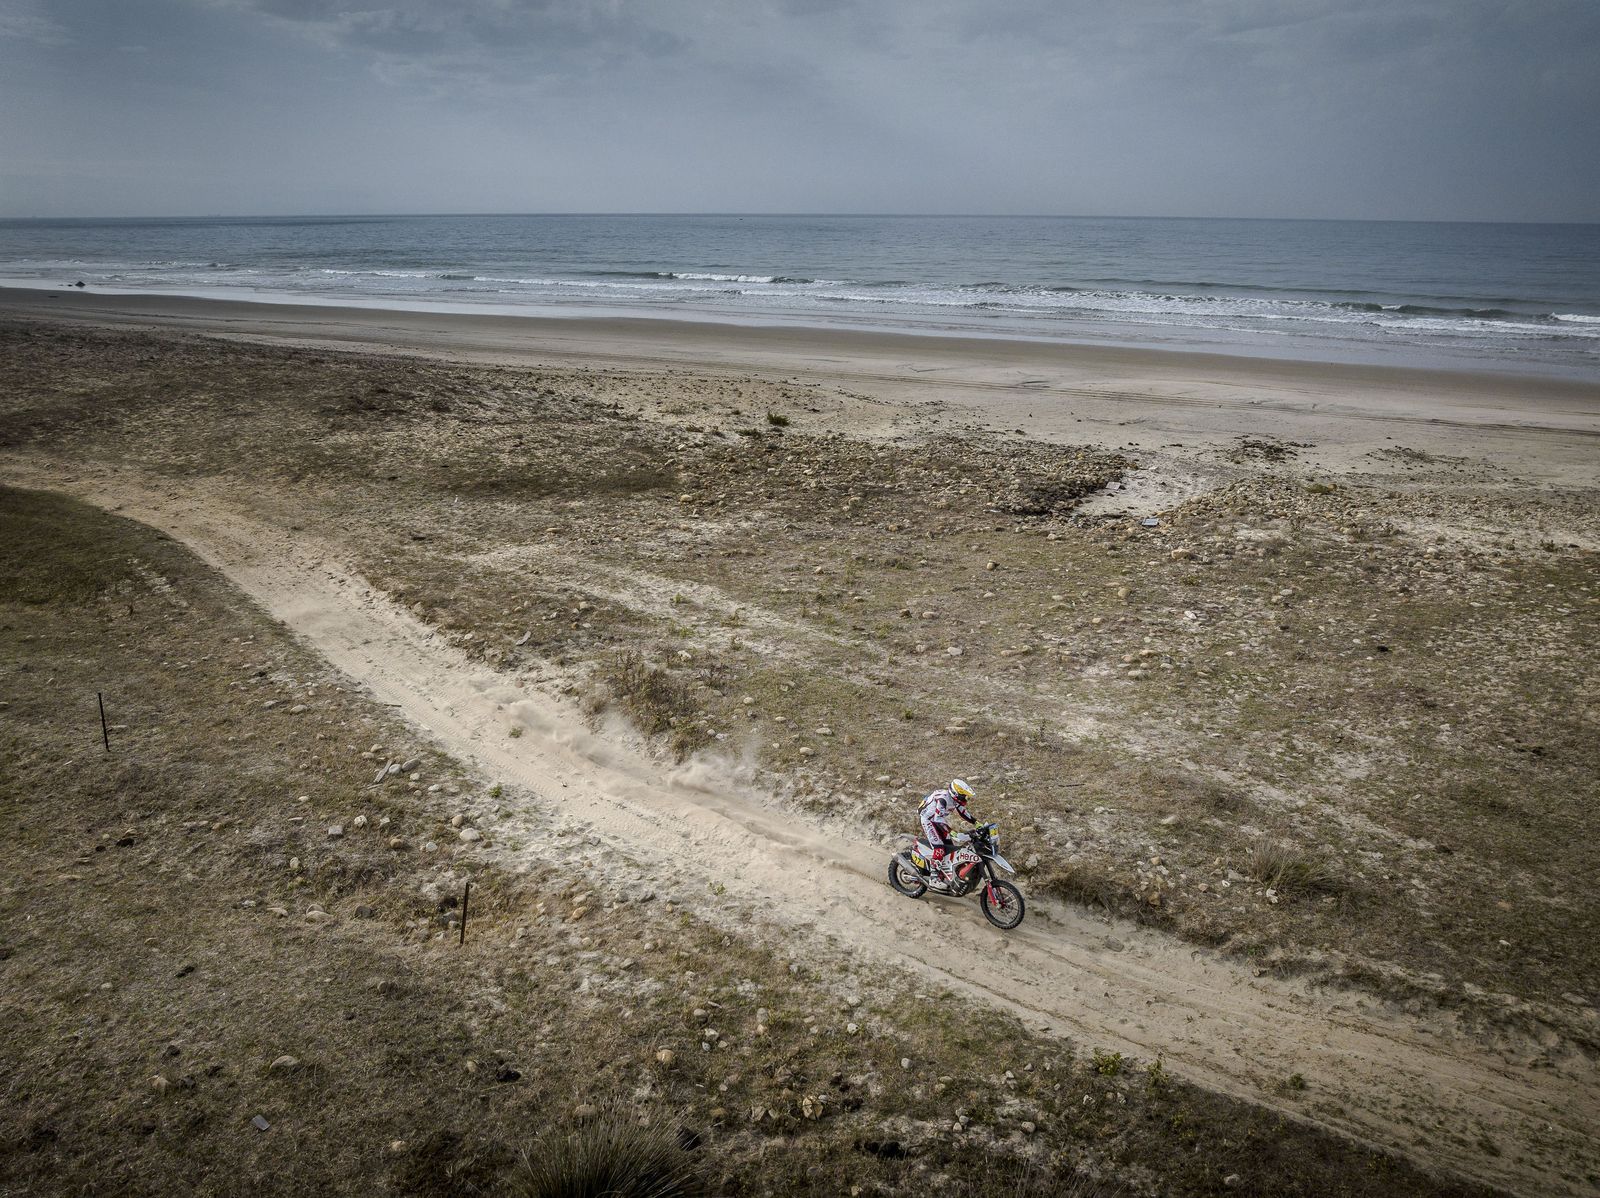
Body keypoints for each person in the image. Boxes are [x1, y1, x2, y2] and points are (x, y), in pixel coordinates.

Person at [919, 778, 978, 891]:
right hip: (929, 821)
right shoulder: (944, 800)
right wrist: (952, 832)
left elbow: (963, 812)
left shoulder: (954, 800)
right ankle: (934, 878)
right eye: (963, 796)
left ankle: (945, 873)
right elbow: (937, 819)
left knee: (949, 846)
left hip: (938, 821)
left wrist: (976, 823)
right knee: (939, 848)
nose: (965, 798)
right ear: (956, 794)